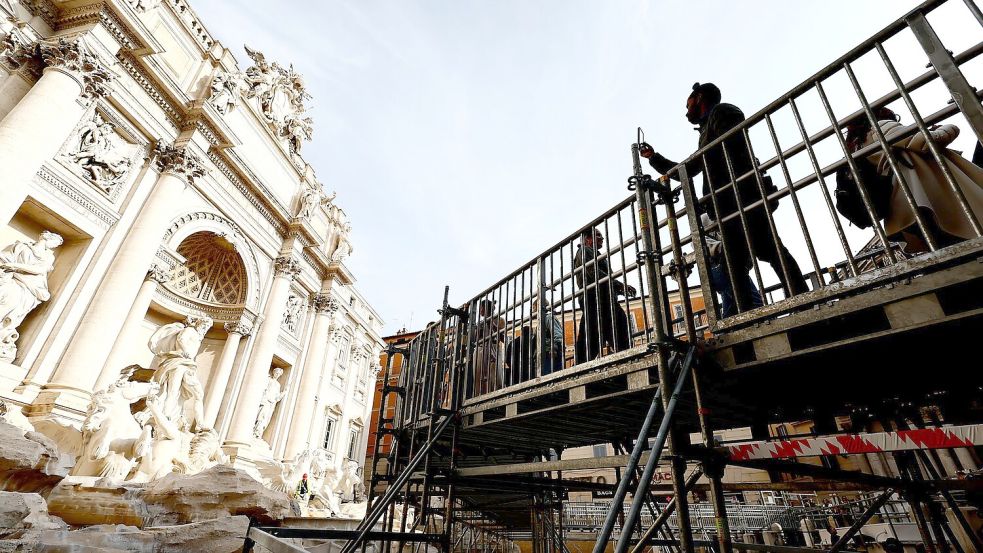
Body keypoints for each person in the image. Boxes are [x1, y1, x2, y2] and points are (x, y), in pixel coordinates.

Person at [641, 82, 808, 312]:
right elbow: (693, 166)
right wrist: (654, 158)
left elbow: (713, 155)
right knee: (744, 262)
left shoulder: (722, 113)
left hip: (741, 196)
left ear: (699, 97)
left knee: (768, 252)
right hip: (729, 202)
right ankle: (756, 314)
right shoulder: (709, 126)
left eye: (687, 103)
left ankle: (799, 301)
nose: (686, 110)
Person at [846, 107, 983, 254]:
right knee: (962, 239)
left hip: (901, 207)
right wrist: (948, 128)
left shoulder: (858, 147)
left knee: (950, 249)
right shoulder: (880, 127)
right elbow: (927, 141)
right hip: (922, 198)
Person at [573, 229, 635, 363]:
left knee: (614, 333)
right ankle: (579, 370)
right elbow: (593, 272)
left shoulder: (595, 254)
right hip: (595, 300)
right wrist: (618, 285)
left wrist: (618, 286)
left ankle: (627, 361)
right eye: (598, 235)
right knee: (592, 339)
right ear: (587, 239)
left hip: (604, 300)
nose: (602, 238)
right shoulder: (584, 251)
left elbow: (603, 276)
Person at [702, 213, 763, 316]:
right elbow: (697, 241)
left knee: (731, 303)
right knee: (753, 302)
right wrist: (724, 247)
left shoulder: (729, 224)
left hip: (725, 267)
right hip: (721, 267)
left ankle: (726, 330)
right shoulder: (706, 218)